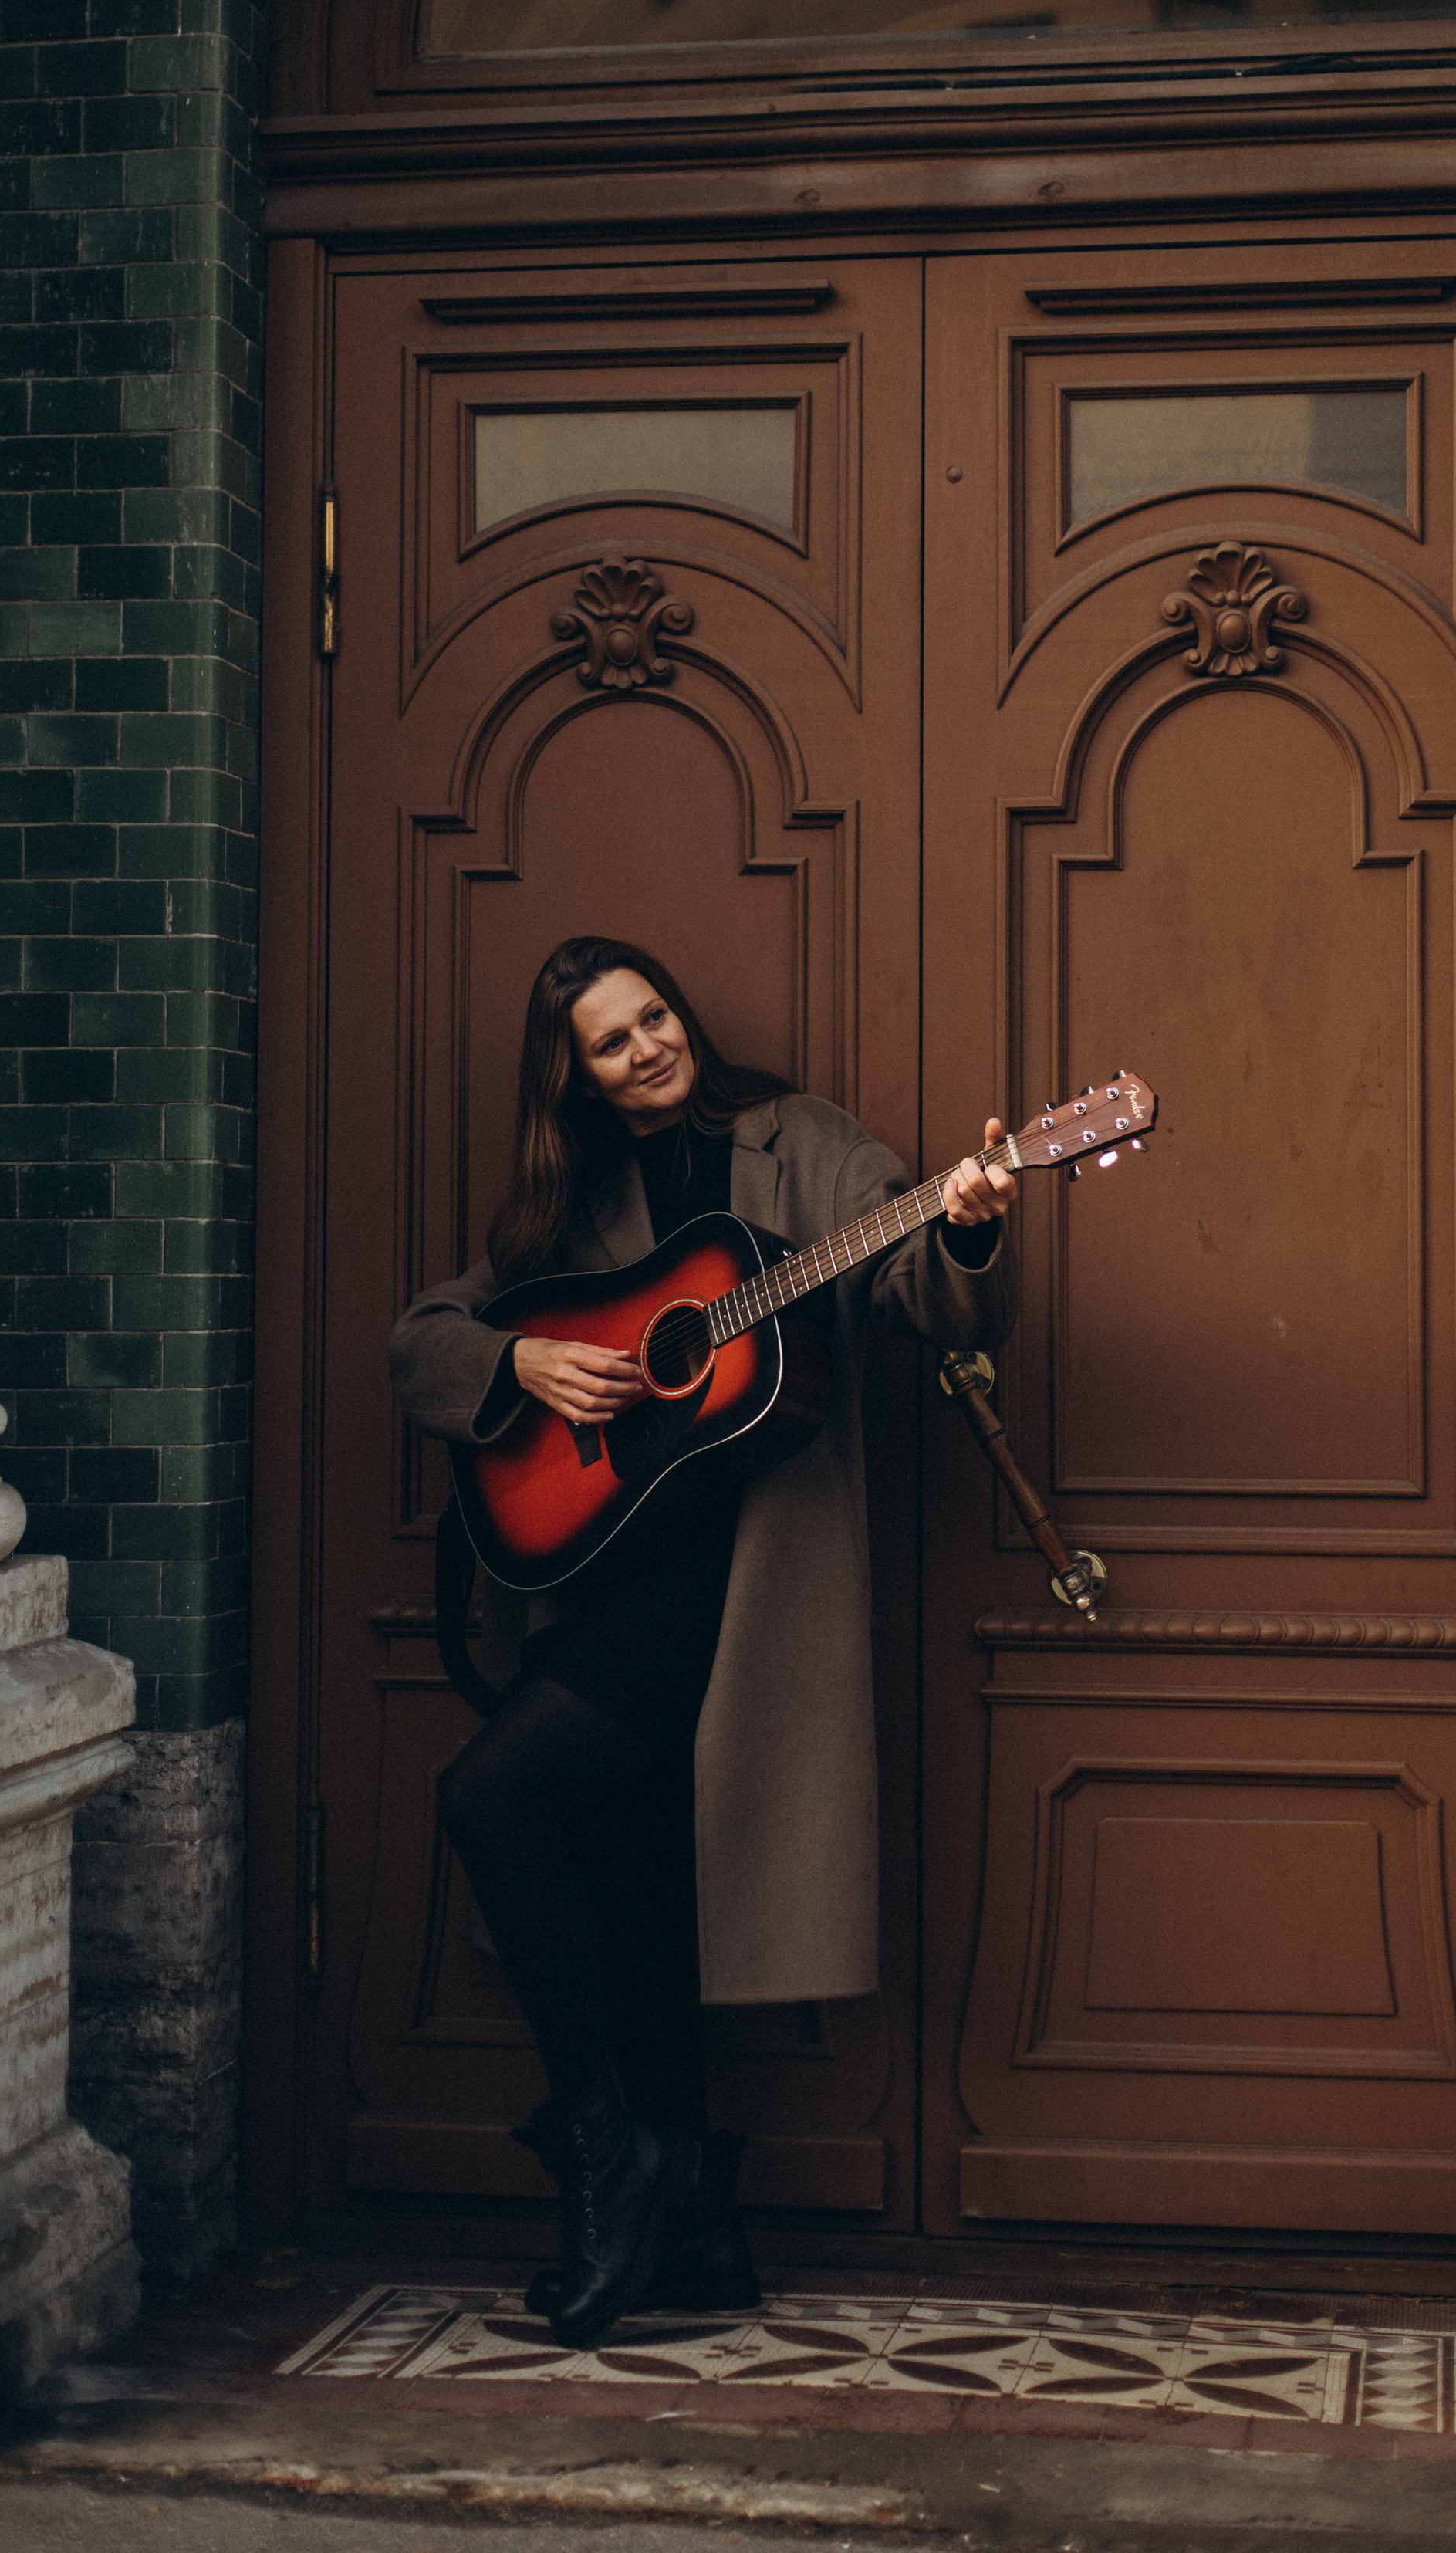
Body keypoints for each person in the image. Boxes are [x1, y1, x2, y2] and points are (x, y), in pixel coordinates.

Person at [389, 936, 1018, 2347]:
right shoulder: (568, 1204)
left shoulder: (801, 1144)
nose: (648, 1049)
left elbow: (923, 1288)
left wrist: (969, 1221)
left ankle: (612, 2154)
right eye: (611, 1043)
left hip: (747, 1592)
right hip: (607, 1585)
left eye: (655, 1017)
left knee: (498, 1797)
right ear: (578, 1078)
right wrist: (517, 1360)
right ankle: (691, 2226)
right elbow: (420, 1339)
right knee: (634, 1884)